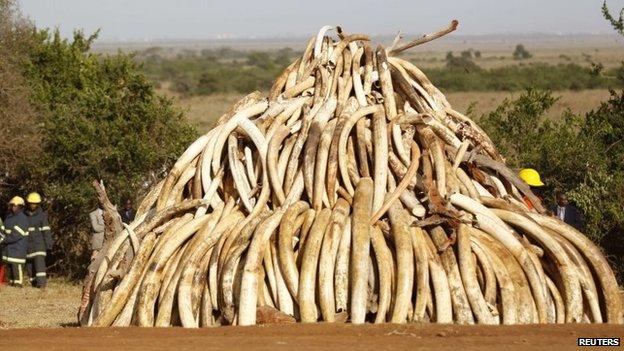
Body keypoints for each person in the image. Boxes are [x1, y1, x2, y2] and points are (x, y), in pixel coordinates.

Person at [24, 192, 53, 288]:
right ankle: (34, 284)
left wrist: (48, 244)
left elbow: (46, 231)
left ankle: (41, 285)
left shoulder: (42, 216)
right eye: (31, 203)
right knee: (30, 267)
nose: (33, 205)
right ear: (28, 203)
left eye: (35, 203)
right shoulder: (23, 215)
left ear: (38, 204)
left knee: (39, 266)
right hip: (27, 246)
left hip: (39, 245)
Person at [2, 196, 29, 287]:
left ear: (20, 207)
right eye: (12, 205)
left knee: (16, 266)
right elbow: (4, 231)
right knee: (10, 266)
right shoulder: (8, 218)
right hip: (9, 248)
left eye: (15, 206)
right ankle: (12, 282)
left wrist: (4, 240)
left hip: (18, 248)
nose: (13, 207)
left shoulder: (23, 218)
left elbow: (16, 235)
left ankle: (18, 284)